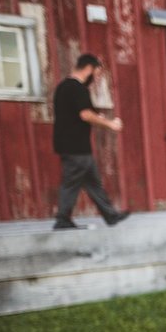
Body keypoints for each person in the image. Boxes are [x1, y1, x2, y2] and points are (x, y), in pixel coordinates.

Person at [52, 53, 130, 230]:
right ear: (89, 68)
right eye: (97, 73)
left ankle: (111, 215)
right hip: (74, 145)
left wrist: (98, 117)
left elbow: (80, 113)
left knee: (93, 182)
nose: (97, 77)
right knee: (71, 182)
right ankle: (62, 219)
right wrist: (110, 124)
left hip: (74, 145)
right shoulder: (77, 88)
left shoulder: (63, 87)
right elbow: (85, 114)